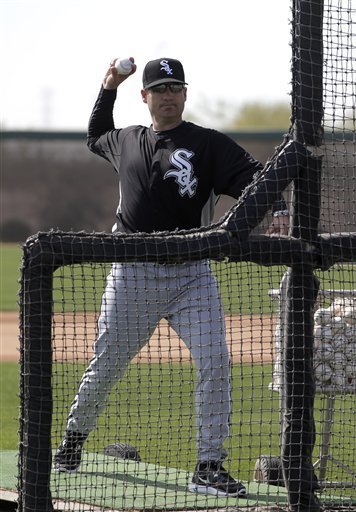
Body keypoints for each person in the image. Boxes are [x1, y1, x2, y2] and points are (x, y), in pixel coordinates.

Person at [54, 56, 289, 497]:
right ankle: (73, 440)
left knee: (216, 361)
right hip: (133, 274)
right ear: (144, 96)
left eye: (175, 87)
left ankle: (208, 465)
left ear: (185, 93)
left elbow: (257, 177)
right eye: (160, 88)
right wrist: (109, 85)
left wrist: (279, 208)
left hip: (192, 275)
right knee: (106, 366)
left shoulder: (208, 144)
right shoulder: (126, 140)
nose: (168, 95)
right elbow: (94, 134)